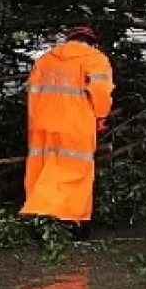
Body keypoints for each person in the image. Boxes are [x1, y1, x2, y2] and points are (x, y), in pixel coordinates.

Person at [21, 24, 114, 241]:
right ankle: (76, 228)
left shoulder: (44, 60)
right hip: (75, 126)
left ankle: (40, 223)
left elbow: (31, 93)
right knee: (76, 176)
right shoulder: (95, 59)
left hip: (42, 126)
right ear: (92, 42)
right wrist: (101, 117)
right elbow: (101, 92)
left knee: (43, 172)